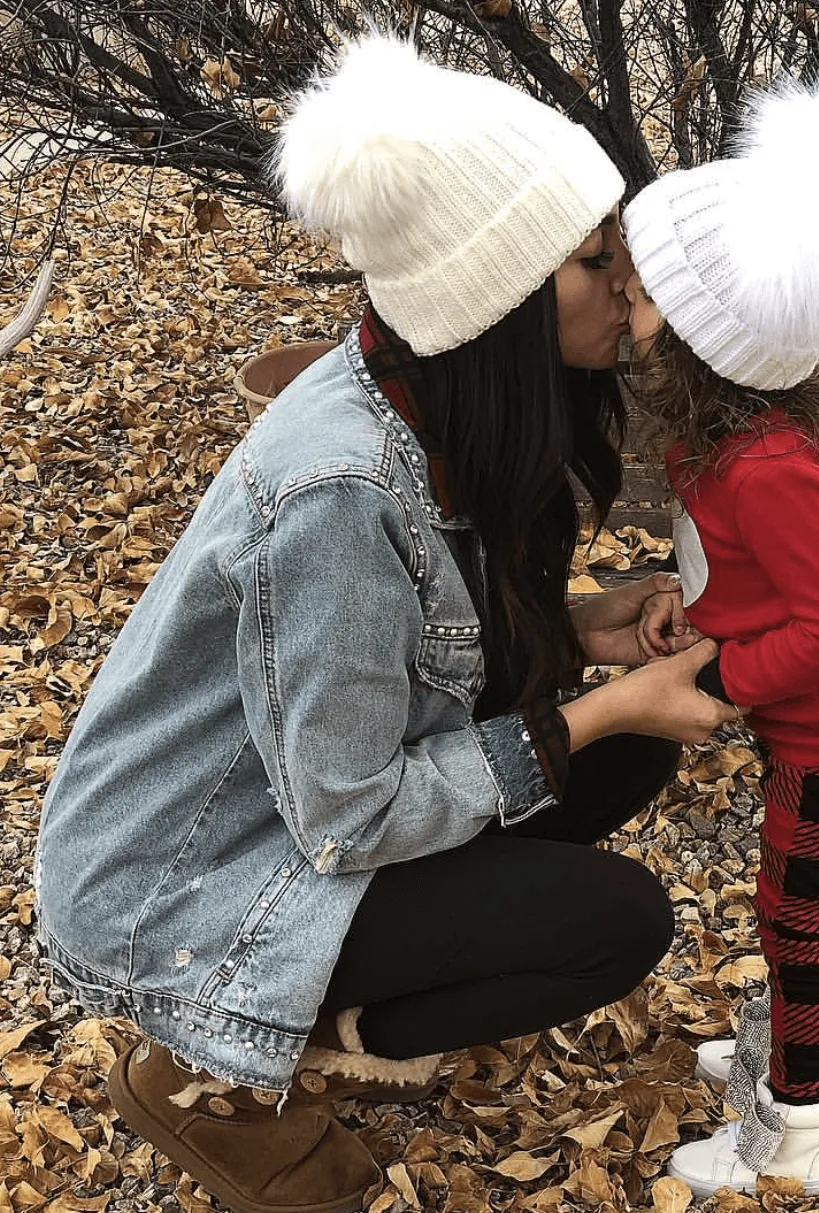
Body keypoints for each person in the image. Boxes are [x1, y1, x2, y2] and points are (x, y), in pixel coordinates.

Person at [33, 33, 736, 1213]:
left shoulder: (418, 386)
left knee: (626, 754)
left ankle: (319, 999)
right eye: (596, 261)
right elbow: (350, 813)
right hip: (180, 879)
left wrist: (581, 632)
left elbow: (401, 651)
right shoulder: (341, 493)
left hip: (284, 802)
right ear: (498, 298)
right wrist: (601, 702)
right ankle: (221, 1066)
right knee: (619, 922)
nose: (634, 290)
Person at [621, 61, 819, 1196]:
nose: (626, 301)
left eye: (646, 290)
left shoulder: (766, 471)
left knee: (796, 918)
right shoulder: (730, 448)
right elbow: (754, 578)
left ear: (703, 336)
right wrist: (689, 602)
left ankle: (800, 1130)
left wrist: (726, 672)